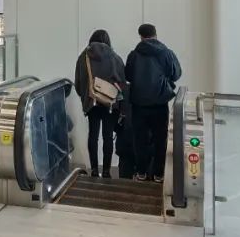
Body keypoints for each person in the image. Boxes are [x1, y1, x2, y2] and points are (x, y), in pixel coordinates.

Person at [125, 23, 183, 182]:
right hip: (159, 104)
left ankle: (141, 173)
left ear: (141, 37)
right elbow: (176, 74)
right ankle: (159, 174)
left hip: (138, 105)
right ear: (155, 35)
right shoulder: (166, 53)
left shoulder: (134, 55)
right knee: (160, 139)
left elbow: (128, 76)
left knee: (140, 140)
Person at [74, 30, 127, 178]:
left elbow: (78, 83)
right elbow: (122, 82)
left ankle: (94, 170)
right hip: (110, 103)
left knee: (93, 135)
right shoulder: (114, 57)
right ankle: (106, 171)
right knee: (108, 136)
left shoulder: (83, 57)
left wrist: (86, 96)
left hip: (92, 102)